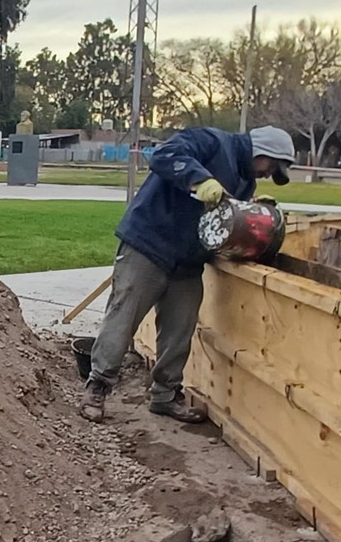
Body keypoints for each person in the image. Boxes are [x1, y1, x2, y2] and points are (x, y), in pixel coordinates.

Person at [80, 125, 296, 423]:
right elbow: (164, 155)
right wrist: (200, 179)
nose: (268, 173)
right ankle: (98, 387)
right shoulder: (211, 141)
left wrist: (250, 210)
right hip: (149, 243)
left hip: (189, 260)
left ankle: (165, 395)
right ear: (262, 152)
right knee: (123, 316)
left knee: (179, 330)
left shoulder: (245, 181)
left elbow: (224, 219)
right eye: (271, 166)